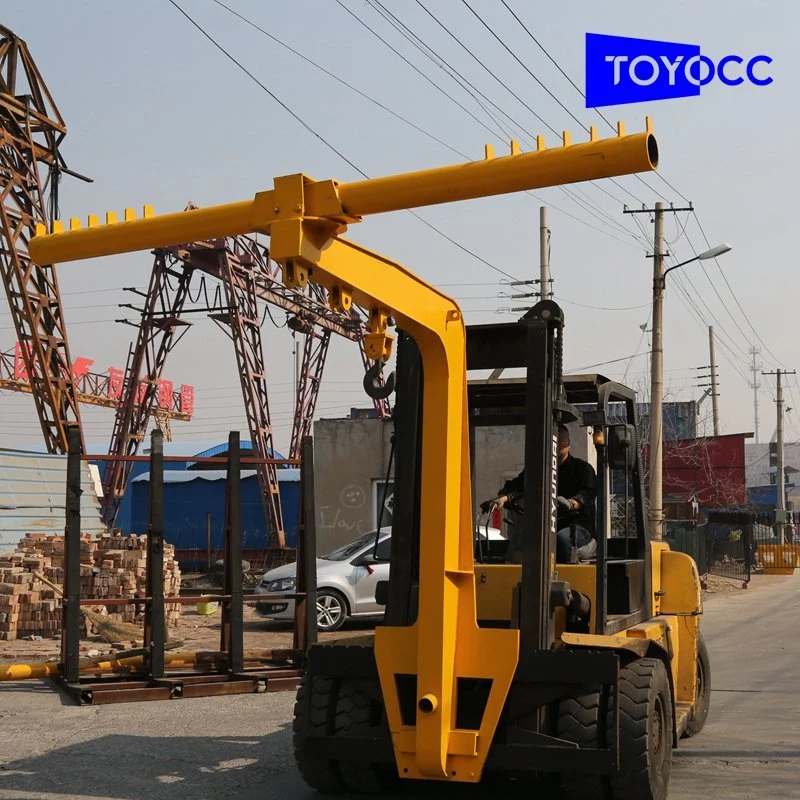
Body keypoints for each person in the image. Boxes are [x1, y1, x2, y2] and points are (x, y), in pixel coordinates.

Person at [482, 425, 597, 563]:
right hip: (545, 524)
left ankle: (565, 574)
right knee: (522, 542)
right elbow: (517, 486)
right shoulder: (538, 470)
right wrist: (501, 499)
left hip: (577, 525)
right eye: (554, 439)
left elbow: (588, 494)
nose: (558, 443)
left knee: (562, 539)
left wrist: (572, 503)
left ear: (569, 443)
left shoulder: (582, 469)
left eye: (561, 440)